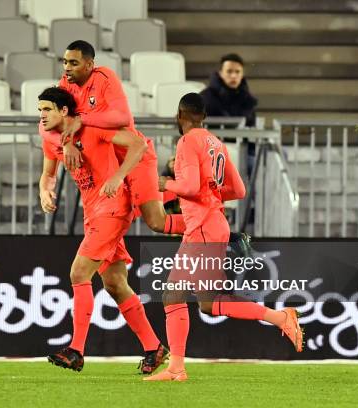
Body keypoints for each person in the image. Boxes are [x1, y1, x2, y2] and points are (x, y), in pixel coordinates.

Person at [145, 93, 303, 382]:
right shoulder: (216, 143)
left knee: (180, 296)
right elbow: (238, 190)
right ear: (203, 116)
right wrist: (208, 193)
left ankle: (177, 368)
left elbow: (190, 187)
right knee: (196, 300)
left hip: (204, 226)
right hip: (210, 223)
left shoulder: (188, 141)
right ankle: (178, 368)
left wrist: (166, 183)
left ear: (180, 116)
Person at [38, 87, 168, 374]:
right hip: (93, 212)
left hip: (112, 209)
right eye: (40, 110)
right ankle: (153, 347)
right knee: (114, 283)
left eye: (47, 109)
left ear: (63, 111)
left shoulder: (94, 128)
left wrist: (119, 176)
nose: (42, 116)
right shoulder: (50, 136)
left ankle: (76, 350)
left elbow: (138, 145)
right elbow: (47, 174)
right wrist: (44, 191)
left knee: (78, 273)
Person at [40, 40, 185, 237]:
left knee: (156, 221)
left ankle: (206, 221)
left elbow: (123, 117)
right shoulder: (66, 84)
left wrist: (82, 119)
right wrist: (66, 143)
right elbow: (43, 125)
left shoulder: (104, 77)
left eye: (74, 63)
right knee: (110, 229)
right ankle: (171, 189)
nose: (67, 68)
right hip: (108, 165)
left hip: (133, 157)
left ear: (90, 65)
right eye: (65, 62)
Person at [200, 53, 258, 127]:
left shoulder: (248, 100)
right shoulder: (205, 98)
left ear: (242, 74)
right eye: (229, 71)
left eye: (237, 72)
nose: (233, 76)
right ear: (221, 73)